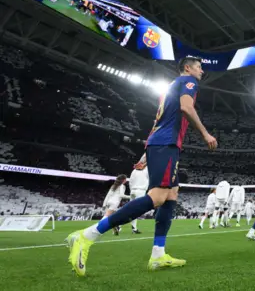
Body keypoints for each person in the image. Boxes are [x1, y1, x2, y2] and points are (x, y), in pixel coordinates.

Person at [65, 56, 217, 277]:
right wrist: (205, 133)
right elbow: (186, 107)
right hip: (166, 143)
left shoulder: (171, 87)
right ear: (187, 68)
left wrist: (147, 152)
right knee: (157, 196)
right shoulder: (188, 82)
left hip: (161, 143)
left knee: (172, 194)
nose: (202, 71)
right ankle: (87, 235)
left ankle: (158, 254)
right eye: (199, 67)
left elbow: (159, 120)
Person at [128, 164, 149, 234]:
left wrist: (131, 190)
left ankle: (134, 228)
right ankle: (119, 224)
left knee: (131, 210)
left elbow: (130, 182)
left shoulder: (134, 171)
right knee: (137, 211)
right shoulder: (147, 170)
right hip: (141, 191)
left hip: (133, 191)